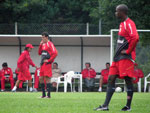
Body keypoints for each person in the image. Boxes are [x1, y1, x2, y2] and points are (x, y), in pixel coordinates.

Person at [94, 4, 139, 111]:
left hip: (126, 57)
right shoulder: (122, 24)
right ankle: (105, 105)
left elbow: (135, 37)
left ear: (122, 12)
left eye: (116, 11)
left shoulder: (129, 23)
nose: (115, 13)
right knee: (110, 78)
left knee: (128, 80)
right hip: (117, 57)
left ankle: (128, 106)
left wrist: (128, 51)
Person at [38, 32, 58, 98]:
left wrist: (49, 61)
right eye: (41, 37)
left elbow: (55, 53)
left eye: (43, 37)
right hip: (42, 64)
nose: (42, 39)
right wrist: (40, 45)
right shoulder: (43, 44)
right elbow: (39, 53)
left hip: (47, 64)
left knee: (47, 78)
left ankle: (48, 95)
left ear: (46, 37)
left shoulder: (50, 44)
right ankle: (43, 95)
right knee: (40, 78)